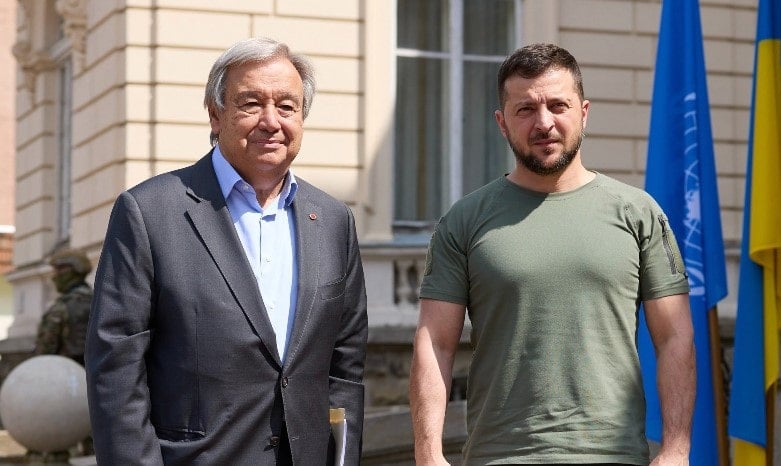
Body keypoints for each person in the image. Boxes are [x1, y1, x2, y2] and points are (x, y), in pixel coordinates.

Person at [85, 37, 368, 465]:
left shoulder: (333, 221)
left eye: (287, 107)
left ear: (302, 118)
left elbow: (344, 370)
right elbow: (116, 371)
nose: (271, 121)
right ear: (216, 115)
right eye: (251, 103)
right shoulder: (149, 212)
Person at [409, 43, 696, 466]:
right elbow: (435, 341)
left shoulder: (638, 213)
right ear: (502, 123)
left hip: (613, 456)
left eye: (557, 105)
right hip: (498, 457)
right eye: (525, 109)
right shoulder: (464, 221)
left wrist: (676, 449)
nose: (544, 123)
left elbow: (674, 336)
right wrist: (427, 454)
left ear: (583, 112)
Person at [34, 248, 93, 365]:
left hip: (66, 375)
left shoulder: (60, 308)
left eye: (58, 269)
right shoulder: (101, 304)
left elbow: (45, 352)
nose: (54, 276)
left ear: (74, 270)